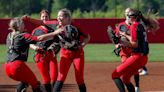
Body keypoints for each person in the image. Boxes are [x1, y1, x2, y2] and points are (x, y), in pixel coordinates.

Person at [4, 17, 64, 92]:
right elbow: (39, 39)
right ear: (18, 26)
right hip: (17, 66)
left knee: (25, 82)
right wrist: (55, 33)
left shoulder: (9, 35)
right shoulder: (23, 35)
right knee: (36, 85)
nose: (24, 25)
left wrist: (36, 48)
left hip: (7, 67)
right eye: (22, 23)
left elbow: (20, 44)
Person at [53, 8, 90, 92]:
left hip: (78, 54)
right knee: (61, 77)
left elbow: (87, 37)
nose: (58, 18)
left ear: (66, 17)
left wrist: (81, 46)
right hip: (65, 54)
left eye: (60, 16)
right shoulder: (57, 28)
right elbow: (55, 41)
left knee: (79, 78)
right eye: (57, 16)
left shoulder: (75, 26)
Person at [112, 9, 149, 92]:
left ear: (133, 18)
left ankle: (137, 86)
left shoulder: (133, 26)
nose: (127, 18)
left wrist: (121, 41)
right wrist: (124, 36)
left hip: (137, 56)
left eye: (129, 16)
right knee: (125, 78)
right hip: (143, 58)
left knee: (115, 75)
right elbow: (136, 41)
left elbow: (134, 44)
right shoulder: (140, 25)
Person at [30, 9, 60, 92]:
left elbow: (58, 42)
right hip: (40, 56)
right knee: (46, 79)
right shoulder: (36, 31)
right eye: (43, 17)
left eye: (46, 16)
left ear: (49, 18)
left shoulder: (54, 29)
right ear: (40, 18)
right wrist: (35, 48)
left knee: (54, 77)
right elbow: (30, 43)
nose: (44, 18)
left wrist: (55, 46)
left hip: (51, 55)